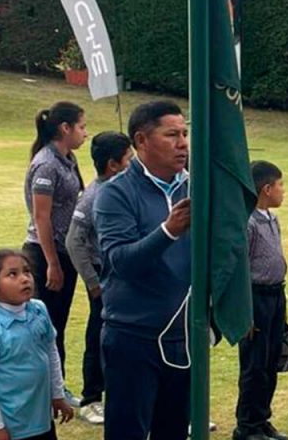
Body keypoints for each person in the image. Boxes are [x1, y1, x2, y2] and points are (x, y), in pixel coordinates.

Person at [95, 100, 193, 440]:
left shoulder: (197, 187)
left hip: (183, 336)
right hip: (134, 337)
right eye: (171, 135)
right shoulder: (115, 194)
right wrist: (168, 231)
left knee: (174, 430)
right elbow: (120, 261)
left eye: (185, 133)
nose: (182, 143)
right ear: (141, 141)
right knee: (128, 432)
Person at [0, 249, 74, 440]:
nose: (25, 279)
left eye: (27, 272)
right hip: (12, 427)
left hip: (42, 421)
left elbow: (51, 352)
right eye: (12, 274)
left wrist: (58, 395)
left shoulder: (39, 310)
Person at [22, 101, 87, 407]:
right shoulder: (47, 163)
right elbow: (41, 217)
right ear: (65, 128)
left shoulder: (68, 159)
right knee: (47, 326)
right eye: (82, 126)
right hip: (46, 253)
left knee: (57, 324)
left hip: (65, 251)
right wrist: (52, 264)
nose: (85, 133)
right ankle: (47, 390)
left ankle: (55, 389)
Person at [65, 131, 133, 425]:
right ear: (113, 164)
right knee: (99, 336)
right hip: (103, 277)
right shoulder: (94, 196)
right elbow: (73, 242)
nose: (134, 163)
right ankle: (92, 398)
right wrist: (93, 282)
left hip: (124, 275)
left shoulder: (126, 188)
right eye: (129, 158)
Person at [234, 161, 288, 440]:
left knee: (271, 361)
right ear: (266, 189)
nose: (283, 192)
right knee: (255, 365)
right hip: (256, 297)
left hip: (275, 294)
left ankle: (262, 418)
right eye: (280, 186)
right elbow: (241, 266)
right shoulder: (249, 222)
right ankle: (247, 425)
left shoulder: (271, 218)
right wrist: (245, 310)